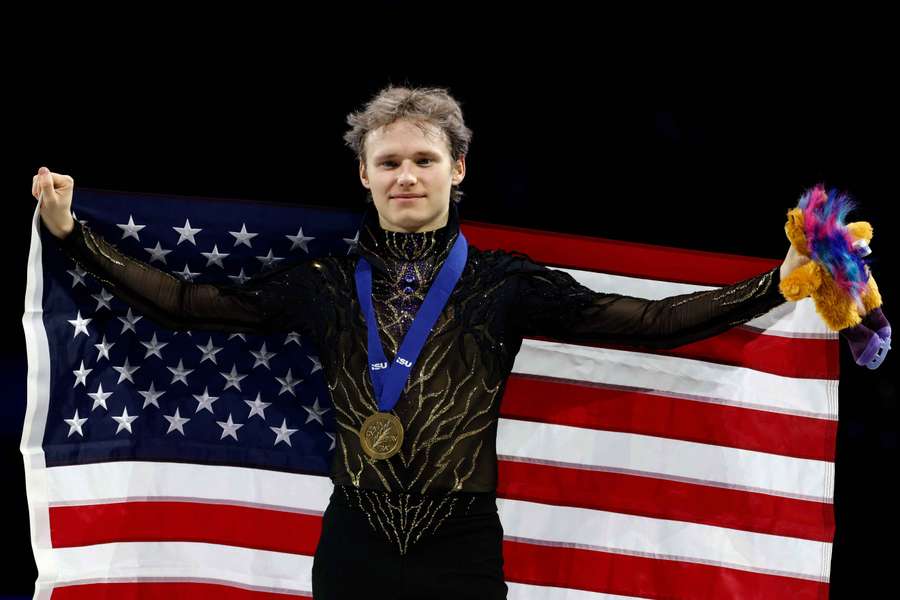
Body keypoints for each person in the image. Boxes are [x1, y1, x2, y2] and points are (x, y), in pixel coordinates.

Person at [31, 85, 809, 600]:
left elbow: (648, 323)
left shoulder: (506, 281)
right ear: (364, 177)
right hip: (354, 543)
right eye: (389, 162)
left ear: (458, 168)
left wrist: (779, 283)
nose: (407, 175)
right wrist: (71, 234)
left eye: (424, 159)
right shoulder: (325, 283)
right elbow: (187, 303)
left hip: (461, 545)